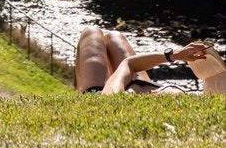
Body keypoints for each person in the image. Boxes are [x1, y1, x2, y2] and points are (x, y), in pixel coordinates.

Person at [75, 27, 226, 94]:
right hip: (145, 86)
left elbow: (128, 64)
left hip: (107, 89)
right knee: (115, 36)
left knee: (91, 32)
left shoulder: (115, 97)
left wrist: (172, 55)